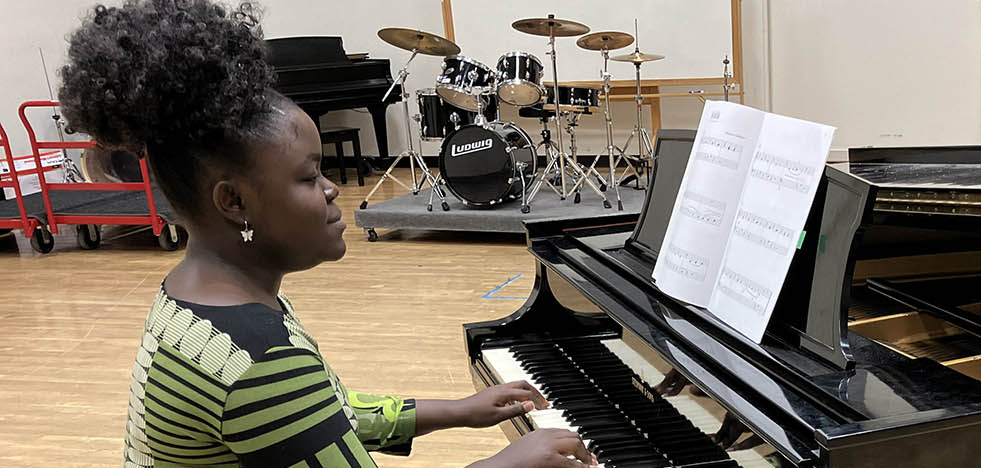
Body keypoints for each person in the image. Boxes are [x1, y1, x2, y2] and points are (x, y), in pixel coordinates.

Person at [57, 1, 595, 467]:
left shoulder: (199, 297)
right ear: (235, 201)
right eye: (310, 175)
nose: (335, 190)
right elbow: (288, 398)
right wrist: (504, 462)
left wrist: (453, 411)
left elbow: (316, 414)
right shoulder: (256, 354)